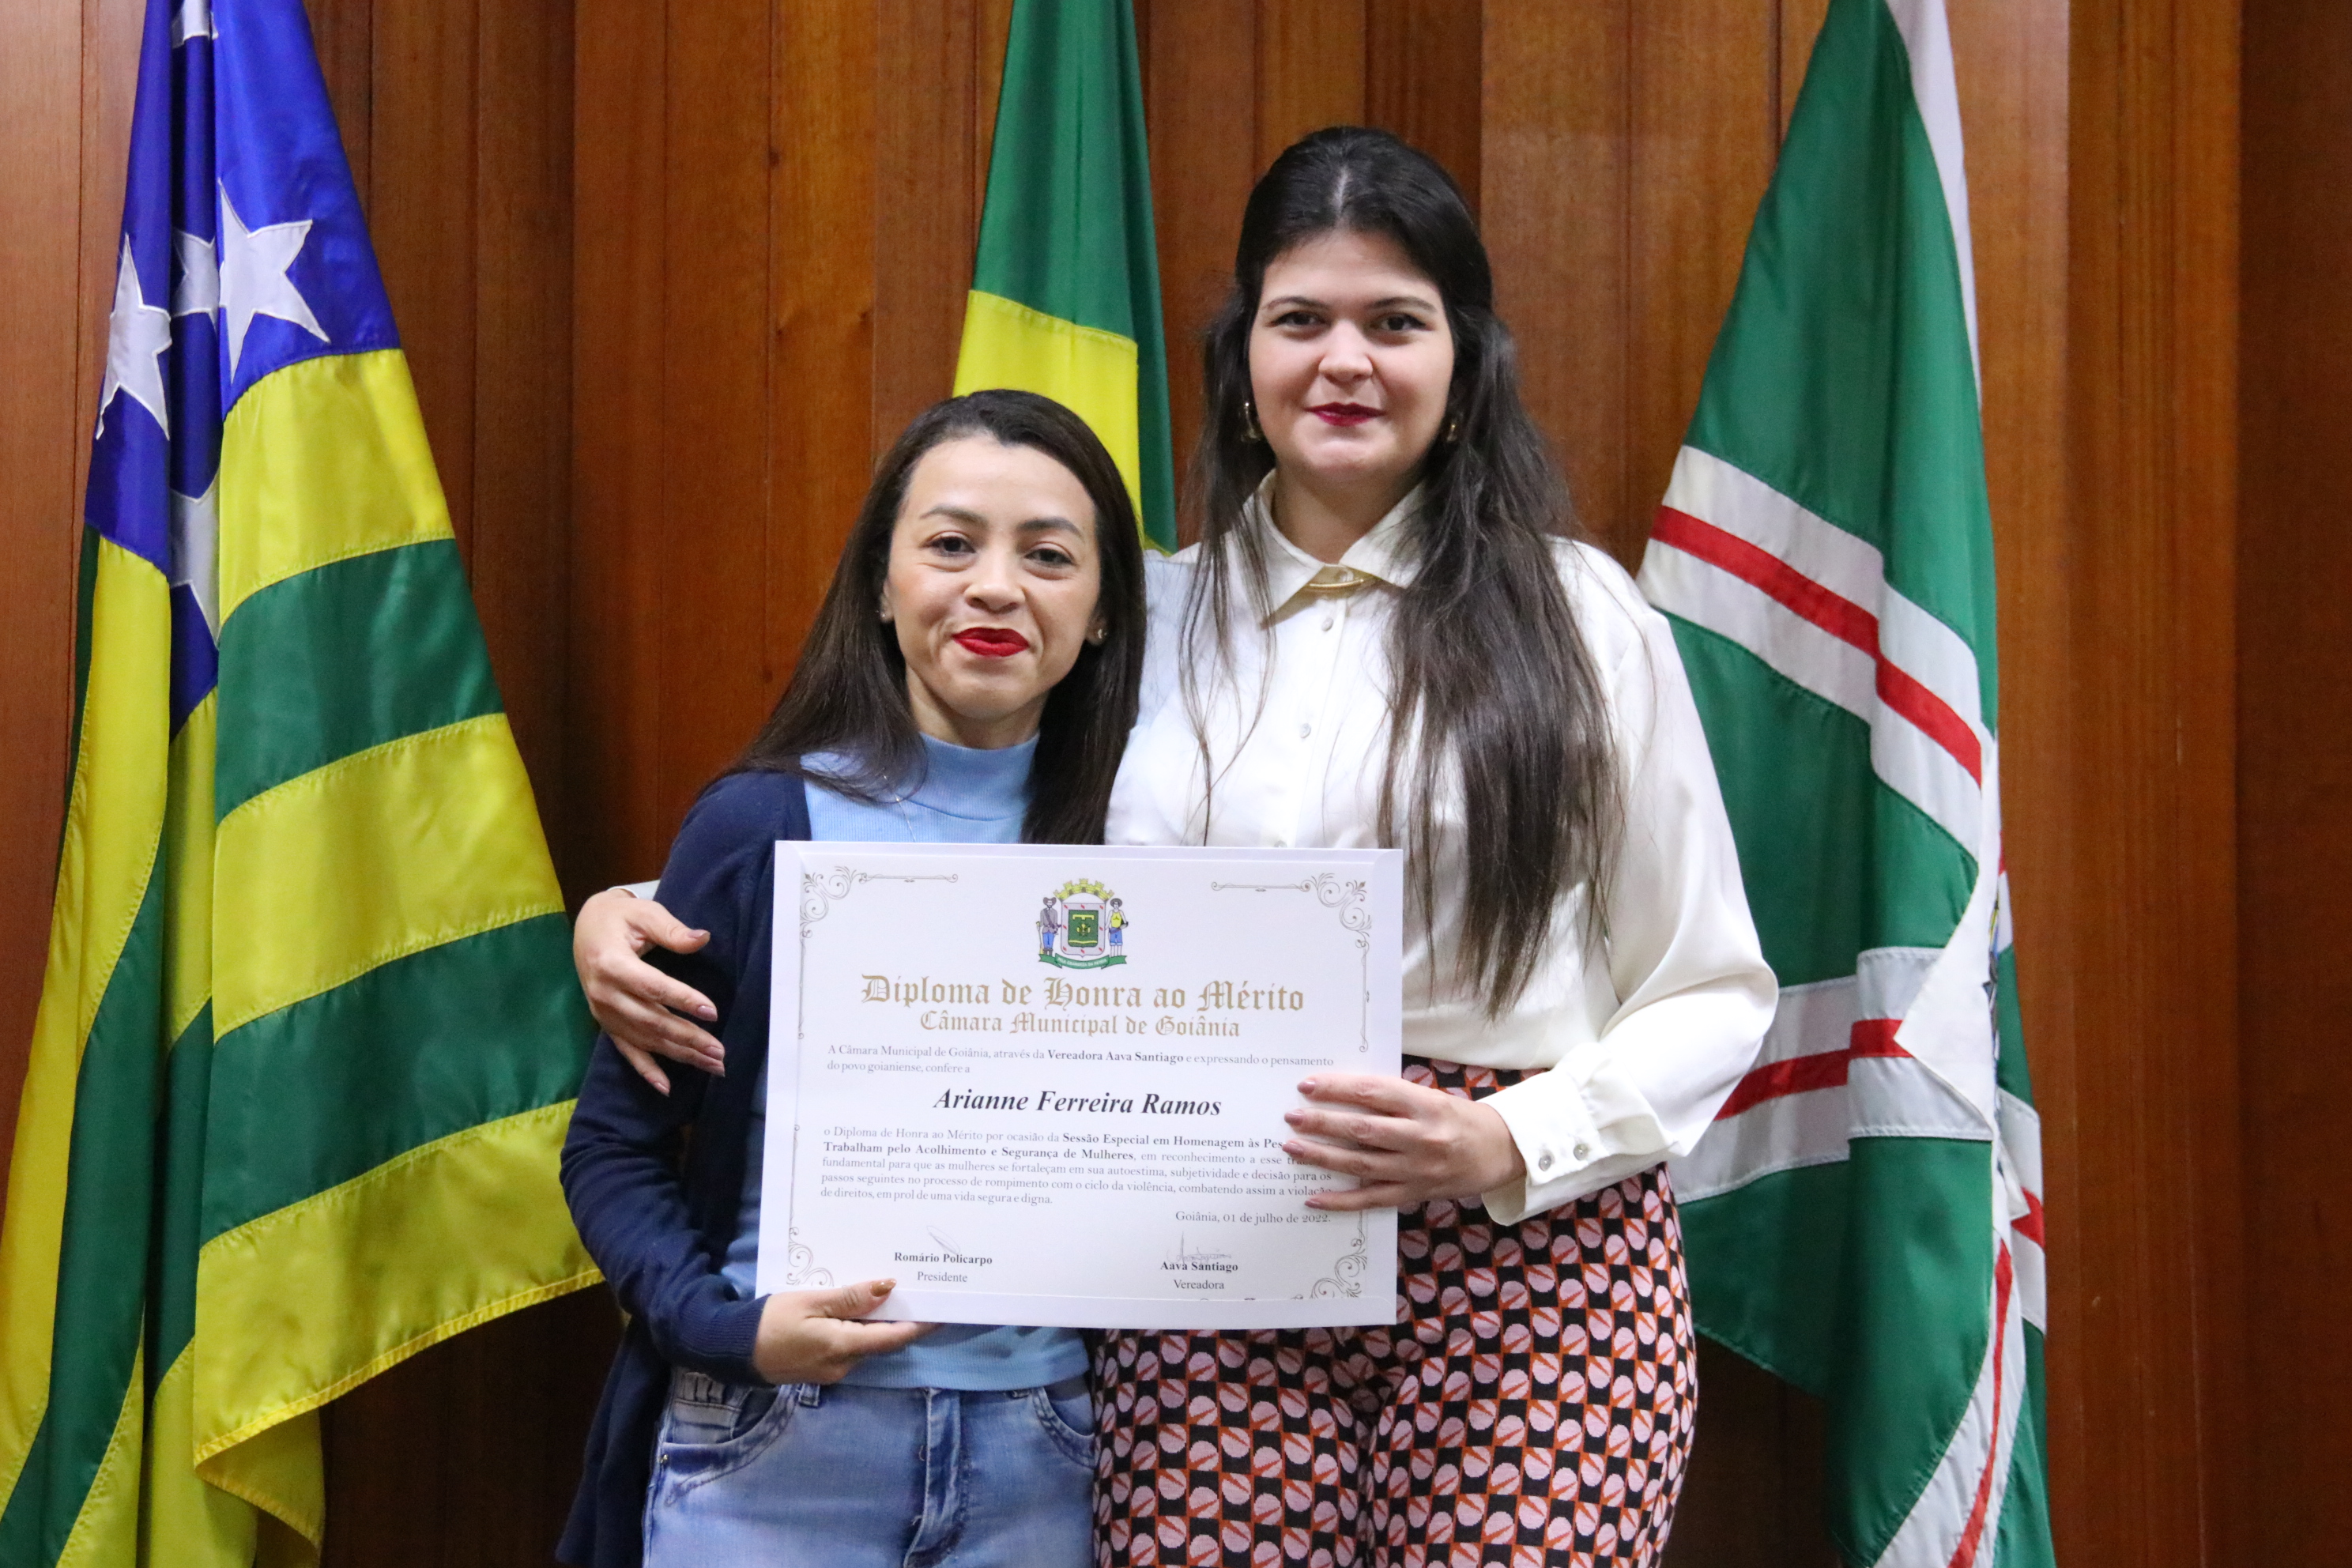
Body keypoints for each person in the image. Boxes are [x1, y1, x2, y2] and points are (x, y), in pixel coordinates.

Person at [578, 128, 1773, 1567]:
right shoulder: (1136, 624)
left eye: (1396, 323)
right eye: (1301, 319)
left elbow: (1713, 988)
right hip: (1205, 1266)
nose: (1346, 361)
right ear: (1242, 360)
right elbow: (941, 838)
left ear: (1465, 367)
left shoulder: (1586, 621)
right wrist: (636, 907)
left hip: (1529, 1259)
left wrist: (1506, 1138)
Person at [557, 389, 1146, 1568]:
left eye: (1047, 556)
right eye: (950, 544)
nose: (995, 588)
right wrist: (725, 1329)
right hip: (773, 1446)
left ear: (1102, 615)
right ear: (881, 585)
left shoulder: (1150, 845)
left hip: (1052, 1455)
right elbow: (613, 1149)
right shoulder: (761, 825)